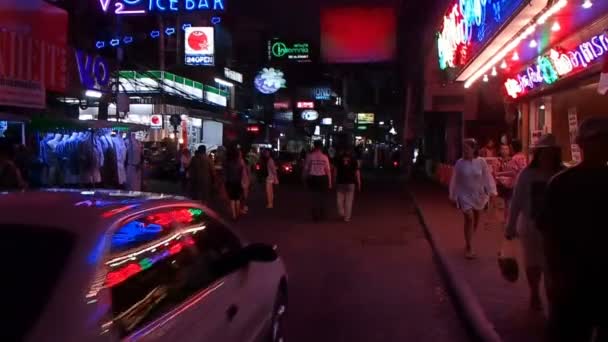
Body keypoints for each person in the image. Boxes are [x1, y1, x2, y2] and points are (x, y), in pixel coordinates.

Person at [538, 118, 608, 342]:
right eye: (597, 142)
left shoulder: (561, 182)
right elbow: (549, 234)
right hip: (572, 278)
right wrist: (553, 276)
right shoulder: (561, 184)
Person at [505, 134, 563, 311]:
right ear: (538, 154)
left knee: (551, 266)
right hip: (530, 227)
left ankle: (551, 301)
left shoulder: (561, 173)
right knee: (533, 263)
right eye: (544, 153)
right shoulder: (527, 174)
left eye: (551, 152)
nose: (547, 156)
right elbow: (517, 201)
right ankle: (534, 293)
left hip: (554, 229)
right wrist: (510, 225)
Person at [449, 138, 497, 259]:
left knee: (475, 219)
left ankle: (469, 239)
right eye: (463, 148)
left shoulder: (481, 162)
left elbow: (487, 177)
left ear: (473, 149)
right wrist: (453, 195)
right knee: (469, 218)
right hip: (464, 194)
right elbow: (455, 180)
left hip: (478, 195)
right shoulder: (459, 163)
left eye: (467, 148)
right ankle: (469, 248)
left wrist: (491, 191)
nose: (464, 150)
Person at [304, 140, 332, 221]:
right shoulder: (325, 157)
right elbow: (328, 170)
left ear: (314, 146)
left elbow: (306, 169)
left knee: (314, 197)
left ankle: (315, 216)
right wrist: (330, 182)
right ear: (321, 147)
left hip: (313, 178)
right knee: (322, 197)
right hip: (322, 178)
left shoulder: (310, 156)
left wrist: (304, 178)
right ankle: (322, 214)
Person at [333, 148, 361, 222]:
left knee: (339, 199)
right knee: (349, 200)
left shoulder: (338, 159)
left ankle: (341, 212)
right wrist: (359, 182)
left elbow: (335, 170)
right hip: (351, 182)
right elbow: (357, 172)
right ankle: (347, 217)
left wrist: (334, 179)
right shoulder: (354, 159)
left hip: (340, 181)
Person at [223, 146, 244, 220]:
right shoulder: (239, 162)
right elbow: (241, 172)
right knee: (237, 199)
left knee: (232, 199)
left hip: (230, 182)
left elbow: (225, 173)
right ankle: (238, 213)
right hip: (238, 181)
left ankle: (234, 215)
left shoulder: (227, 162)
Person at [495, 144, 514, 224]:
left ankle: (508, 220)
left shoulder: (512, 160)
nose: (504, 151)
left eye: (506, 149)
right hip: (500, 185)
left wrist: (502, 174)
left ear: (509, 151)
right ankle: (502, 220)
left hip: (510, 185)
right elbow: (495, 173)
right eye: (502, 149)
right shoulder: (497, 161)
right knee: (502, 204)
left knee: (509, 203)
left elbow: (514, 173)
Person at [240, 148, 251, 214]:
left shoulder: (244, 162)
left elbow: (248, 171)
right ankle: (243, 207)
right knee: (243, 195)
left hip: (244, 179)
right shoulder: (239, 161)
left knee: (244, 195)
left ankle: (244, 207)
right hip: (242, 179)